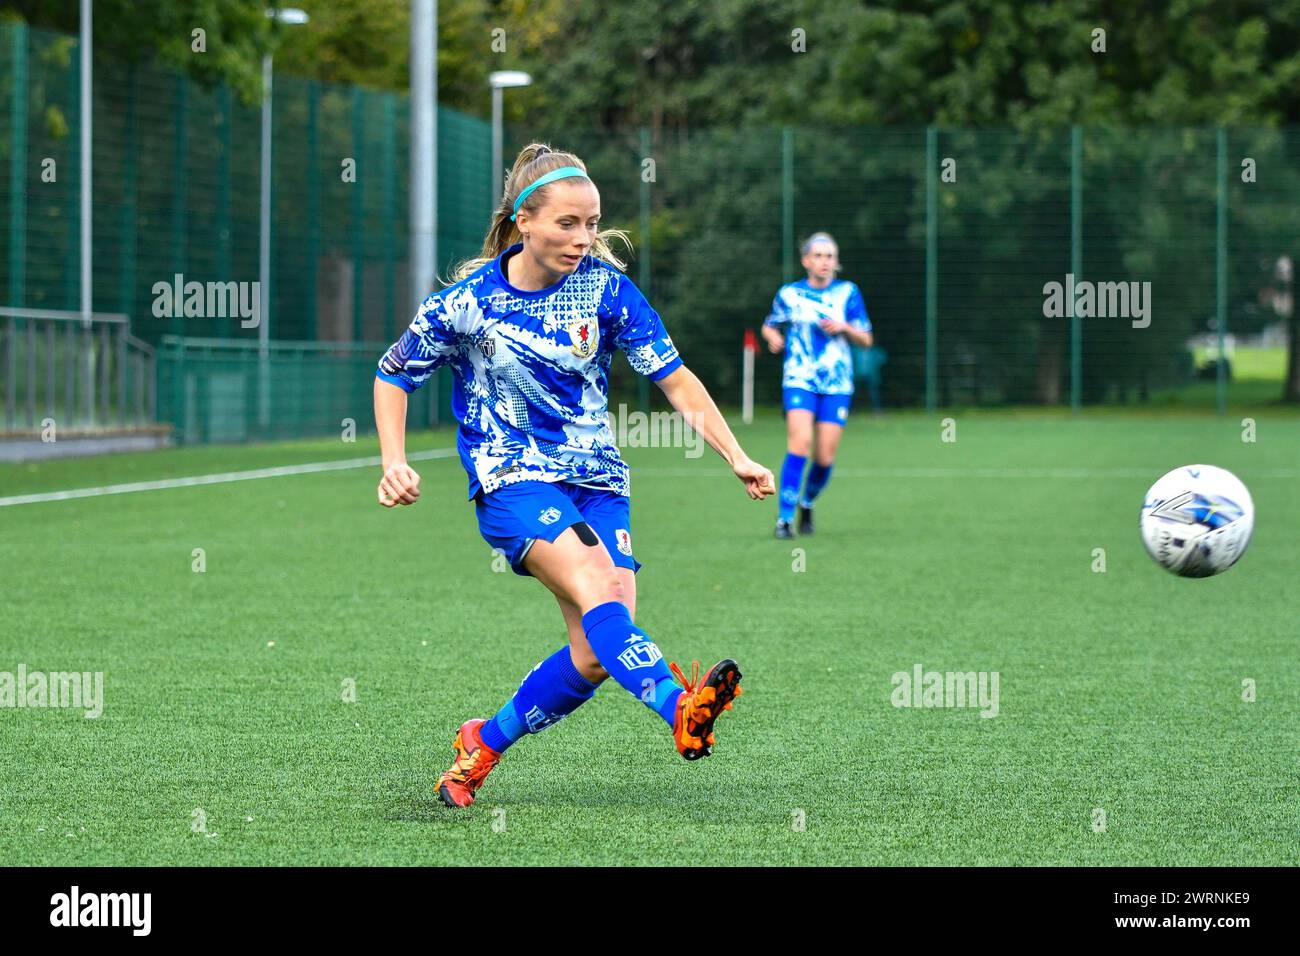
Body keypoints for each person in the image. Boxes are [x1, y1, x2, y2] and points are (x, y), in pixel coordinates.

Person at [373, 143, 776, 808]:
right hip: (513, 481)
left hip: (598, 483)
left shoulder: (608, 291)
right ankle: (682, 709)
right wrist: (393, 459)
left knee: (594, 652)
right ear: (523, 221)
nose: (583, 237)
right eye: (567, 223)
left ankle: (481, 746)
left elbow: (675, 380)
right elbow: (394, 373)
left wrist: (735, 454)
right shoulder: (465, 304)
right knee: (598, 587)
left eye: (591, 223)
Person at [760, 232, 873, 539]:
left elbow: (866, 339)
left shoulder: (848, 293)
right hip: (799, 379)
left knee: (824, 457)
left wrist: (845, 327)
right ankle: (784, 519)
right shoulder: (789, 294)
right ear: (806, 260)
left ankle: (807, 502)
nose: (825, 262)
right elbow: (770, 324)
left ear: (836, 262)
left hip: (836, 384)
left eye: (830, 256)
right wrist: (772, 338)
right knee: (799, 444)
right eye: (819, 256)